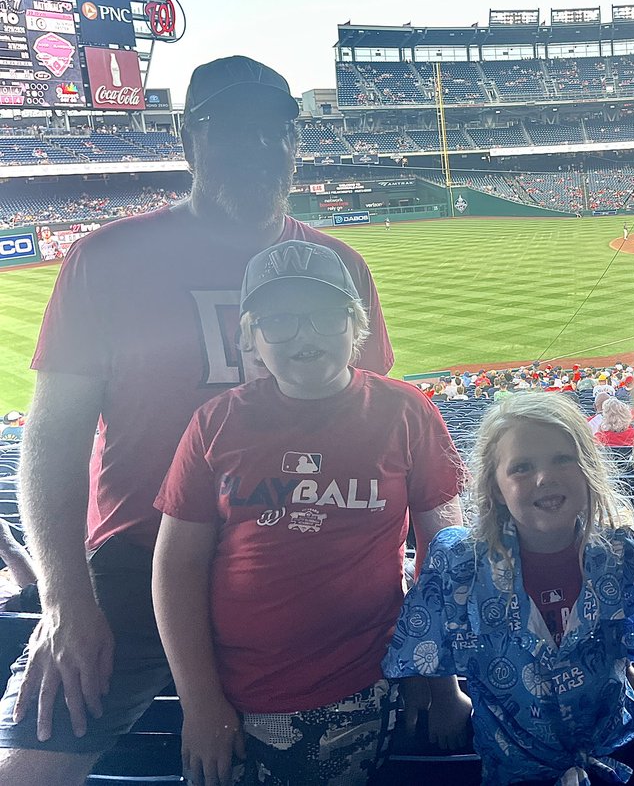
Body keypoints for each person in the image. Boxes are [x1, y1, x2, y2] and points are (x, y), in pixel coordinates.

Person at [0, 56, 394, 785]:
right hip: (136, 559)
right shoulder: (106, 260)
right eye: (230, 129)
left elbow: (372, 434)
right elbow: (52, 441)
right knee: (28, 761)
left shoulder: (339, 265)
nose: (259, 149)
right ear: (188, 140)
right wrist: (64, 602)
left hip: (299, 554)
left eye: (275, 131)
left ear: (295, 143)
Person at [151, 242, 464, 786]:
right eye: (279, 321)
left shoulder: (407, 411)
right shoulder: (214, 423)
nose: (305, 336)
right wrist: (200, 705)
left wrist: (438, 679)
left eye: (326, 316)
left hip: (367, 688)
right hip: (237, 696)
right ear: (249, 337)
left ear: (356, 327)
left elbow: (444, 560)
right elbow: (176, 570)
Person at [384, 393, 634, 785]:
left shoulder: (621, 551)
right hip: (514, 758)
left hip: (611, 747)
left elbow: (616, 627)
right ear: (496, 488)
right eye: (521, 467)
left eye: (562, 458)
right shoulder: (461, 563)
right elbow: (435, 636)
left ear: (588, 469)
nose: (544, 478)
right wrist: (447, 698)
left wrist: (625, 671)